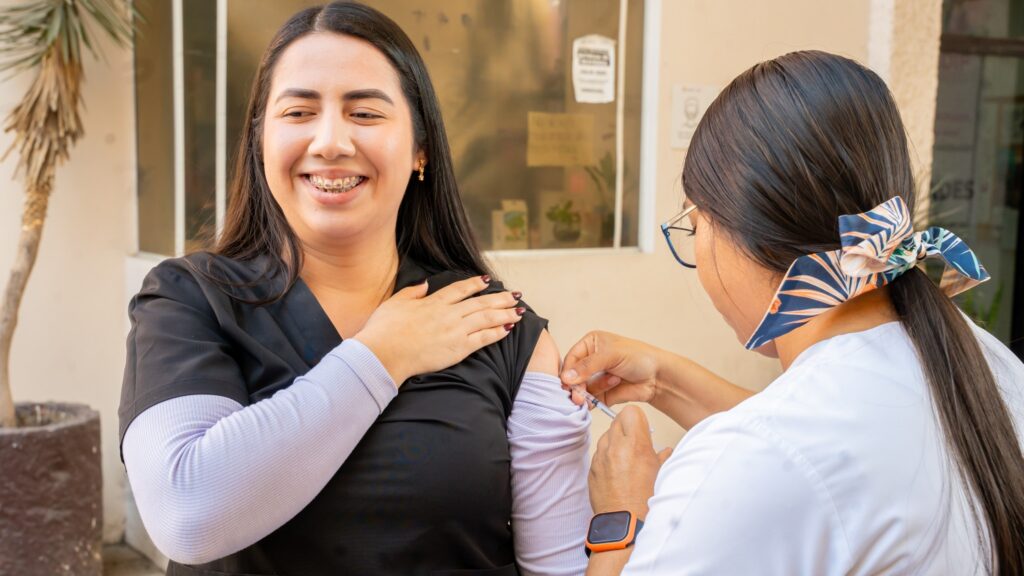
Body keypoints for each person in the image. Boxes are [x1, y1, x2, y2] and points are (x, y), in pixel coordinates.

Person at [118, 3, 590, 575]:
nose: (330, 141)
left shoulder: (493, 324)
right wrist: (382, 355)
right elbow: (187, 515)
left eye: (364, 112)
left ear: (420, 149)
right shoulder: (190, 300)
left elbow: (558, 568)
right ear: (261, 140)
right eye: (298, 111)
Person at [562, 51, 1024, 575]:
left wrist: (620, 518)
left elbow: (781, 458)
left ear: (740, 233)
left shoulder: (749, 463)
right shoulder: (981, 357)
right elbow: (812, 452)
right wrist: (663, 380)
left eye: (694, 225)